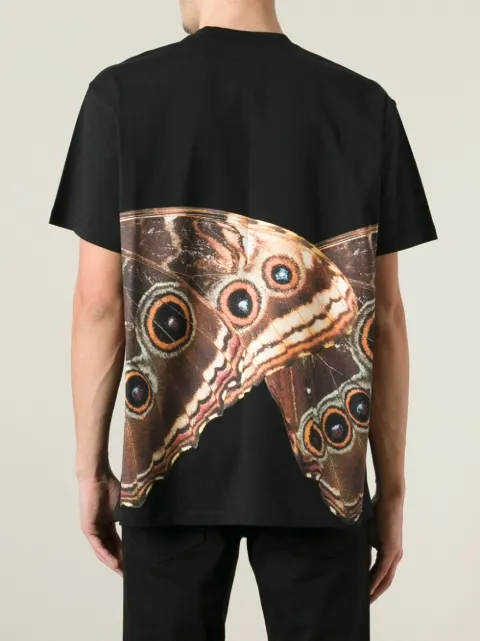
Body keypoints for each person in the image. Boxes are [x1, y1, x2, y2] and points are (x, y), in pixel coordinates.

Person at [49, 0, 437, 639]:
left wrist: (90, 470)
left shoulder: (121, 96)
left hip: (166, 474)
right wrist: (390, 489)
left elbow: (98, 304)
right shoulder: (364, 105)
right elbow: (386, 320)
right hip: (323, 464)